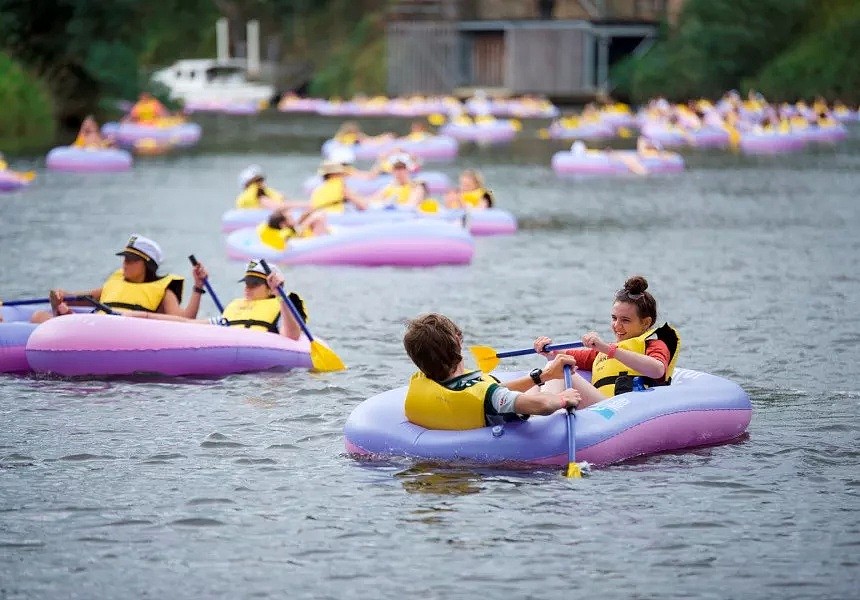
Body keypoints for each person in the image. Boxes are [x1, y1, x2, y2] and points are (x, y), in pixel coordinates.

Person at [402, 313, 581, 431]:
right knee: (558, 386)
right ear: (457, 340)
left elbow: (493, 390)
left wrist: (543, 376)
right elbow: (541, 406)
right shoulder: (488, 397)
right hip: (509, 462)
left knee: (548, 380)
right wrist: (563, 398)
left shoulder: (426, 385)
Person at [532, 275, 680, 408]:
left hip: (623, 411)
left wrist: (609, 349)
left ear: (646, 323)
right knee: (551, 367)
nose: (617, 325)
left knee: (557, 367)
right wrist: (549, 350)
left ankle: (547, 415)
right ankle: (529, 412)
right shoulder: (601, 354)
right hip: (601, 411)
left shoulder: (654, 345)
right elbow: (565, 355)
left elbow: (658, 370)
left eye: (625, 320)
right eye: (614, 318)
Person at [31, 234, 206, 323]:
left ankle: (67, 321)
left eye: (131, 259)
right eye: (124, 258)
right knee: (38, 316)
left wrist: (198, 287)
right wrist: (63, 295)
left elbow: (186, 320)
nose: (125, 263)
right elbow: (83, 299)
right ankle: (64, 319)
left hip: (124, 331)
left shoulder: (163, 290)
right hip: (96, 325)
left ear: (147, 265)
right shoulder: (116, 281)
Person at [128, 260, 305, 340]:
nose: (247, 287)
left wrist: (280, 295)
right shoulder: (236, 307)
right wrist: (142, 317)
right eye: (247, 282)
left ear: (270, 288)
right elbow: (189, 323)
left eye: (254, 284)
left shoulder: (281, 307)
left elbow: (291, 336)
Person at [257, 206, 328, 251]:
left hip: (300, 234)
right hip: (308, 240)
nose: (293, 218)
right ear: (283, 224)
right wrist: (305, 224)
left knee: (317, 215)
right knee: (318, 216)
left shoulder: (271, 228)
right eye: (290, 217)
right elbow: (290, 242)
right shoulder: (285, 233)